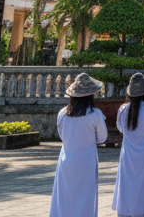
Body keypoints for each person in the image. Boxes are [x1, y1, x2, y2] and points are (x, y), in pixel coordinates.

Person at [50, 73, 109, 217]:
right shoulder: (95, 114)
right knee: (85, 196)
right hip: (86, 161)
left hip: (66, 160)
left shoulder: (63, 113)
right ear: (90, 96)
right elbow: (102, 138)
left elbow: (63, 135)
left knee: (65, 194)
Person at [112, 73, 144, 217]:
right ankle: (142, 212)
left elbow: (120, 128)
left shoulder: (124, 108)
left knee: (127, 182)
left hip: (128, 151)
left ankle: (125, 210)